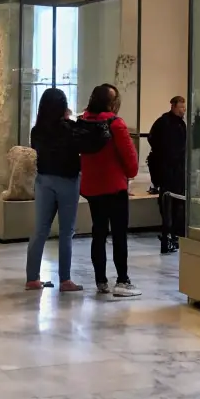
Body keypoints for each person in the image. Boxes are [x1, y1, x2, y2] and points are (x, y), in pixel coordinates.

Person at [79, 83, 140, 298]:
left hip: (93, 188)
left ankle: (100, 280)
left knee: (98, 233)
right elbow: (132, 165)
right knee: (119, 234)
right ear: (112, 103)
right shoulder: (116, 124)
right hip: (115, 188)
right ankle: (122, 280)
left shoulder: (83, 122)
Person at [25, 87, 83, 292]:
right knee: (66, 232)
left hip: (44, 180)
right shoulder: (70, 128)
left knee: (40, 230)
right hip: (67, 181)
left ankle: (32, 278)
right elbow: (81, 146)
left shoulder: (37, 130)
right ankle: (65, 279)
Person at [148, 95, 188, 254]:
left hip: (177, 170)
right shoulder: (163, 122)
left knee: (177, 205)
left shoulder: (180, 124)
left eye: (184, 108)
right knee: (168, 205)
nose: (183, 110)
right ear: (173, 106)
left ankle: (173, 236)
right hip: (167, 170)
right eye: (180, 107)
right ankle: (168, 236)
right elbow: (154, 140)